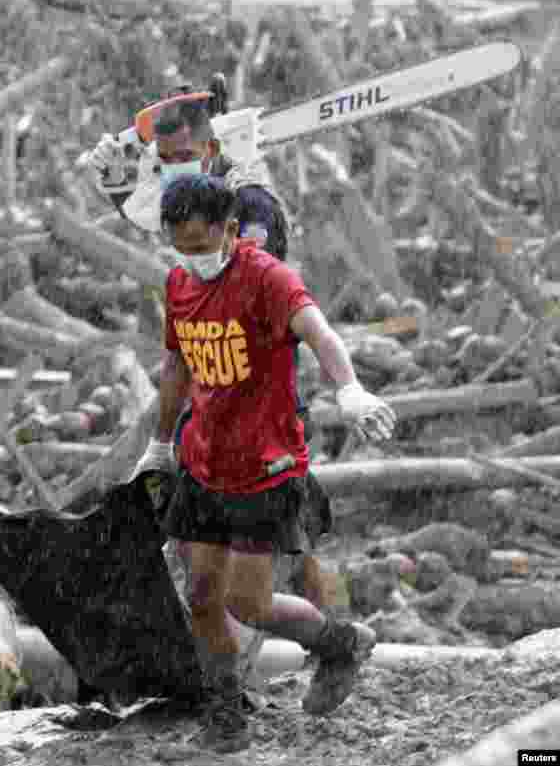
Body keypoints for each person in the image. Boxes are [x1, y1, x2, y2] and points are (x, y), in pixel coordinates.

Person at [131, 174, 396, 752]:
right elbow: (176, 364)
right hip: (204, 459)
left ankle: (339, 642)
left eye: (202, 246)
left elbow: (318, 331)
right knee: (201, 594)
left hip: (265, 464)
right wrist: (158, 444)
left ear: (230, 230)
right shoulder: (179, 283)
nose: (192, 258)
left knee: (246, 603)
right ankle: (225, 715)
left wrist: (349, 389)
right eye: (181, 246)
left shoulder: (267, 279)